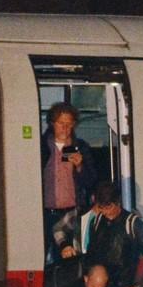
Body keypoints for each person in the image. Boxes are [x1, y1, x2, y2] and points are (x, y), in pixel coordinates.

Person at [41, 102, 99, 262]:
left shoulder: (80, 147)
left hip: (71, 214)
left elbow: (91, 181)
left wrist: (80, 166)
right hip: (45, 213)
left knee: (68, 259)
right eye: (61, 123)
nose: (65, 128)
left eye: (69, 124)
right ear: (52, 123)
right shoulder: (42, 146)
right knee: (43, 257)